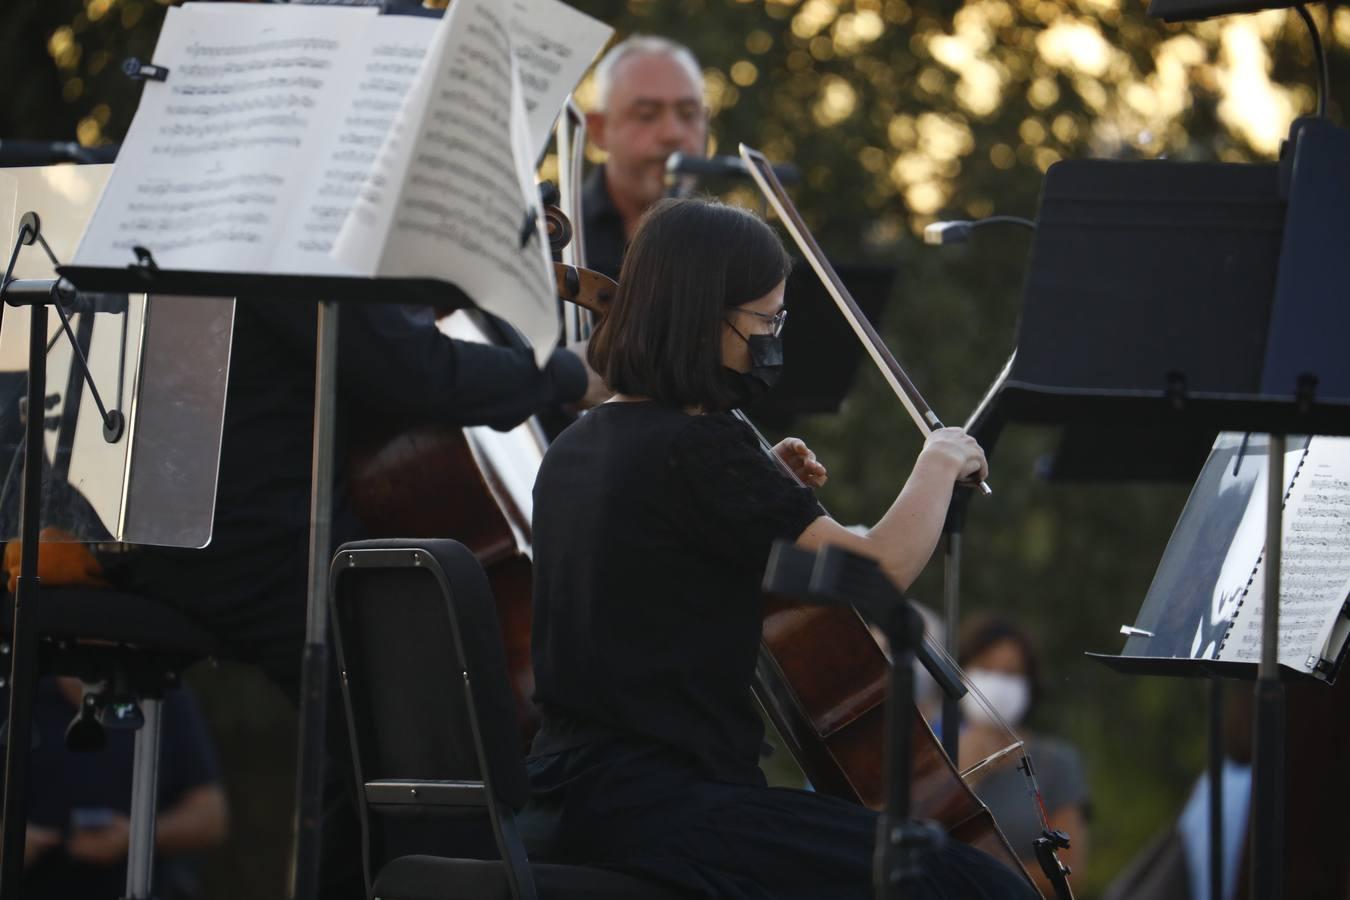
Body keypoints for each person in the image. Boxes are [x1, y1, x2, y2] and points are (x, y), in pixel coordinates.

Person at [525, 197, 1033, 899]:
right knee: (980, 888)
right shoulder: (703, 447)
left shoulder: (576, 445)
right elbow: (876, 569)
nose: (771, 342)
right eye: (765, 321)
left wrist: (769, 497)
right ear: (705, 316)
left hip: (572, 799)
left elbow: (664, 562)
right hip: (668, 811)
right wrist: (939, 462)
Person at [110, 297, 606, 897]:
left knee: (365, 757)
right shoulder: (284, 223)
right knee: (433, 730)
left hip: (165, 520)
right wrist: (564, 375)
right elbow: (408, 371)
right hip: (247, 537)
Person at [19, 677, 227, 900]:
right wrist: (10, 842)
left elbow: (212, 815)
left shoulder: (159, 688)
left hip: (143, 888)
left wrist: (136, 837)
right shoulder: (16, 686)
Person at [956, 616, 1091, 896]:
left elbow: (1070, 871)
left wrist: (975, 872)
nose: (997, 682)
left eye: (1010, 673)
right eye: (986, 668)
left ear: (1029, 684)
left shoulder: (1056, 762)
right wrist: (964, 778)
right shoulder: (934, 754)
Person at [581, 36, 709, 278]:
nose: (673, 133)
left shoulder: (731, 245)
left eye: (689, 114)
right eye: (647, 115)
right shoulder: (554, 239)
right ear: (598, 129)